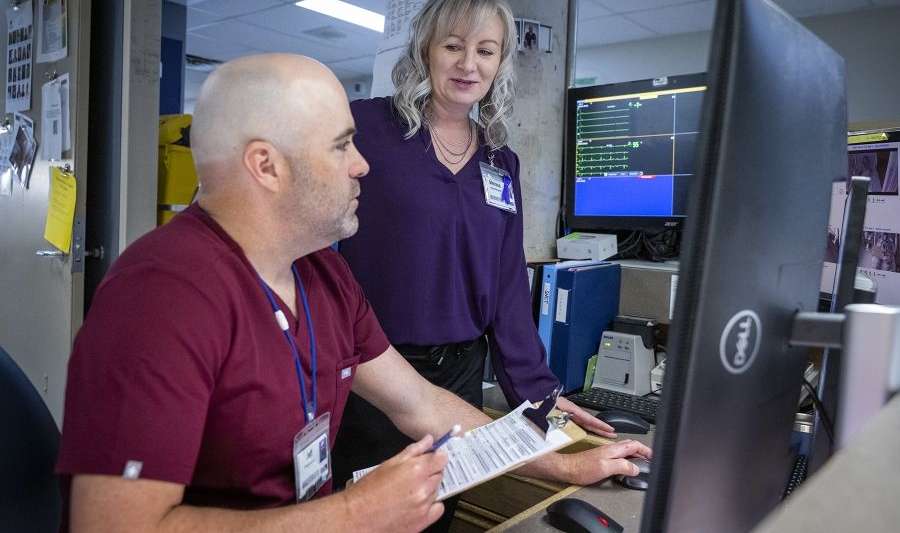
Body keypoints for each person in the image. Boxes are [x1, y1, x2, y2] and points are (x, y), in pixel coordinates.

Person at [56, 53, 651, 532]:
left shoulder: (323, 275)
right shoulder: (162, 298)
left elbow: (422, 403)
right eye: (343, 145)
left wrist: (561, 463)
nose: (363, 165)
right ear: (267, 166)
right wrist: (354, 514)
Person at [334, 0, 619, 527]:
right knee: (370, 519)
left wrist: (539, 393)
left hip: (460, 374)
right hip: (375, 373)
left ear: (501, 63)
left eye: (486, 50)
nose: (469, 64)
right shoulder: (364, 127)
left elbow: (507, 286)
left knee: (438, 514)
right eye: (453, 46)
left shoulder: (500, 160)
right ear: (424, 50)